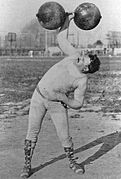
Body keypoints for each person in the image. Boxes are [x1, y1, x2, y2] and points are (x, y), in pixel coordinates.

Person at [21, 13, 100, 178]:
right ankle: (27, 165)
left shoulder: (81, 80)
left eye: (83, 60)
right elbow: (62, 38)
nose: (80, 57)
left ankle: (72, 161)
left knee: (64, 136)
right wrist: (67, 20)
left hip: (56, 103)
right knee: (32, 132)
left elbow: (78, 103)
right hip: (38, 96)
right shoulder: (74, 54)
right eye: (82, 56)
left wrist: (64, 98)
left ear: (86, 68)